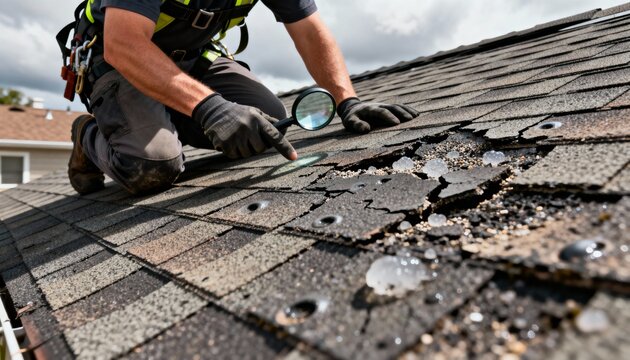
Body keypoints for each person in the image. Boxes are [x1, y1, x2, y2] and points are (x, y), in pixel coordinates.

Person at [66, 0, 419, 195]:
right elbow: (123, 44)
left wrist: (347, 101)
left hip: (192, 57)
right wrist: (211, 108)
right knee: (153, 167)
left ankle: (160, 115)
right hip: (119, 60)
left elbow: (309, 31)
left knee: (264, 124)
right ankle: (88, 134)